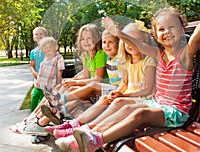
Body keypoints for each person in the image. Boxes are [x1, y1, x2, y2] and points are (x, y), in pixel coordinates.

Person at [58, 0, 200, 152]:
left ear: (182, 30)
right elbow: (139, 45)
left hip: (175, 113)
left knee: (139, 113)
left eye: (171, 27)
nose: (166, 32)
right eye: (161, 29)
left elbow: (197, 36)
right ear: (155, 35)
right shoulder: (158, 54)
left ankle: (95, 141)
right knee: (121, 102)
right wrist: (118, 33)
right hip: (156, 104)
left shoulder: (184, 54)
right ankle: (84, 132)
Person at [53, 22, 157, 151]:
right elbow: (124, 84)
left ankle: (85, 132)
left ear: (144, 44)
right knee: (105, 99)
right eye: (128, 41)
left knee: (115, 101)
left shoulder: (148, 62)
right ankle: (76, 126)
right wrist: (117, 93)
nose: (131, 44)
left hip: (140, 98)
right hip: (127, 95)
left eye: (136, 41)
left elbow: (148, 89)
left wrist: (123, 95)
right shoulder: (126, 61)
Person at [41, 30, 122, 127]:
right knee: (71, 88)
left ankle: (57, 105)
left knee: (77, 90)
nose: (86, 41)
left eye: (89, 38)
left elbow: (98, 79)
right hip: (101, 89)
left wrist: (75, 82)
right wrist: (73, 81)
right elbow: (86, 75)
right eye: (83, 39)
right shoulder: (89, 56)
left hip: (105, 90)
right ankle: (51, 115)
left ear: (96, 40)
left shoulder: (102, 55)